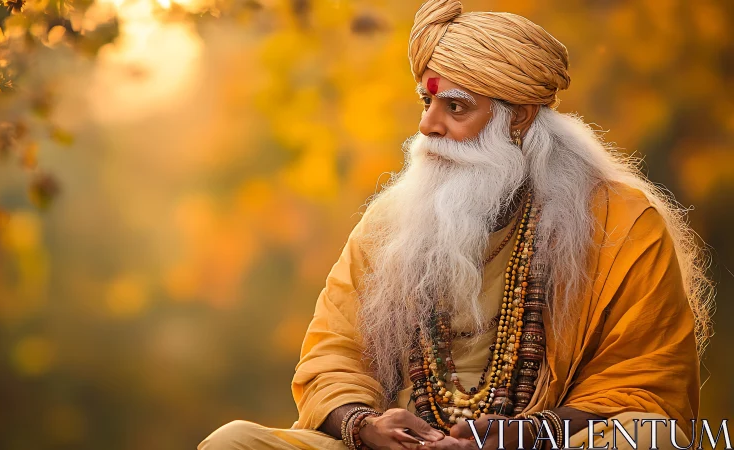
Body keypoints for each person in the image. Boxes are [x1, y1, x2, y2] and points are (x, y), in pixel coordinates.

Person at [199, 0, 713, 448]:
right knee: (233, 442)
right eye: (427, 102)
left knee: (653, 437)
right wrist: (363, 425)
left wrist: (530, 433)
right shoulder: (389, 222)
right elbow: (332, 356)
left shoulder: (620, 222)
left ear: (520, 117)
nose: (428, 126)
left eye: (456, 107)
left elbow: (646, 383)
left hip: (544, 443)